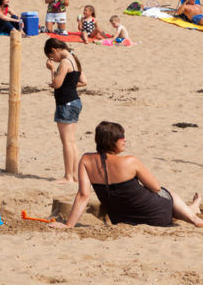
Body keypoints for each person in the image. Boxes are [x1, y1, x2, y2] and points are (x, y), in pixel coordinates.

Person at [51, 121, 203, 228]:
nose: (124, 140)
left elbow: (83, 195)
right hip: (155, 214)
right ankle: (194, 217)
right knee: (168, 193)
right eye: (121, 137)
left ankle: (193, 208)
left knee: (162, 209)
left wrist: (69, 225)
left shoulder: (86, 160)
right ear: (111, 141)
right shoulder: (131, 161)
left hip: (121, 218)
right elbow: (156, 188)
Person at [44, 38, 87, 184]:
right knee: (72, 141)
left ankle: (68, 176)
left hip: (66, 103)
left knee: (67, 142)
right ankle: (74, 175)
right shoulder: (74, 59)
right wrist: (69, 86)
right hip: (75, 101)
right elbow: (83, 81)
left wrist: (51, 70)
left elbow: (56, 84)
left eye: (51, 57)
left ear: (54, 50)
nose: (53, 60)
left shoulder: (65, 62)